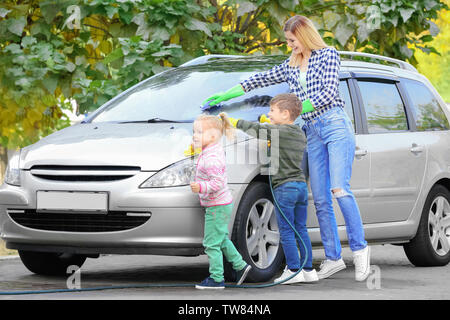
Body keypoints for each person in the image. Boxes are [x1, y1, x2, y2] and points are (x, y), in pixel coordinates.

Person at [202, 15, 370, 282]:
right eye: (288, 41)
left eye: (292, 40)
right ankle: (334, 258)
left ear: (303, 36)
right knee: (322, 199)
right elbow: (259, 80)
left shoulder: (328, 55)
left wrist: (289, 113)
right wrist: (226, 95)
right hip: (312, 130)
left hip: (335, 124)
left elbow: (327, 94)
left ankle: (361, 252)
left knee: (339, 188)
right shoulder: (291, 65)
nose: (290, 45)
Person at [221, 93, 318, 284]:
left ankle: (292, 269)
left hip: (285, 187)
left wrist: (235, 121)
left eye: (273, 110)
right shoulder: (299, 133)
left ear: (286, 113)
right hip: (300, 187)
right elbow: (274, 131)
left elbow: (256, 129)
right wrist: (271, 122)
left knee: (287, 230)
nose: (269, 113)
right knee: (300, 228)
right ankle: (308, 270)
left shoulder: (277, 133)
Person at [189, 114, 251, 289]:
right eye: (194, 131)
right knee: (222, 238)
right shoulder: (211, 151)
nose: (194, 135)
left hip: (216, 205)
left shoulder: (211, 158)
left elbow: (217, 183)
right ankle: (240, 266)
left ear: (213, 136)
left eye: (199, 132)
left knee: (211, 243)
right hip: (220, 203)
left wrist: (200, 187)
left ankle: (216, 278)